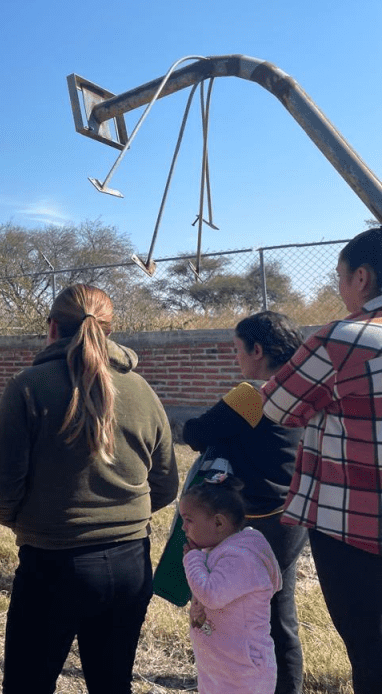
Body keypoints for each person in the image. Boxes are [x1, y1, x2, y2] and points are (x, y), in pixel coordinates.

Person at [0, 284, 178, 694]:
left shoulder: (28, 387)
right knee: (112, 683)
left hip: (52, 565)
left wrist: (37, 523)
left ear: (52, 327)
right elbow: (165, 484)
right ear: (109, 330)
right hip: (130, 564)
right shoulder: (142, 390)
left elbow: (0, 491)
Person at [260, 227, 382, 694]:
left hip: (354, 532)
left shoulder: (343, 339)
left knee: (370, 652)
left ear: (362, 279)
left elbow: (278, 406)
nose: (338, 287)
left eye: (340, 277)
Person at [182, 310, 307, 694]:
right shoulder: (302, 392)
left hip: (252, 520)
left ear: (256, 350)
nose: (236, 358)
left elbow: (196, 432)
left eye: (237, 349)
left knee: (244, 615)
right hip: (293, 516)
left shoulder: (252, 395)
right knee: (279, 613)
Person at [181, 474, 282, 694]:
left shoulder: (241, 558)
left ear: (219, 522)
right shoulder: (220, 549)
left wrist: (192, 558)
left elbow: (211, 595)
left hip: (245, 672)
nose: (183, 527)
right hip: (221, 666)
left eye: (189, 520)